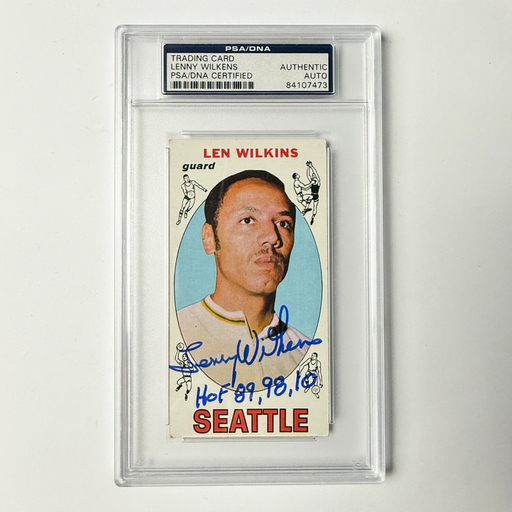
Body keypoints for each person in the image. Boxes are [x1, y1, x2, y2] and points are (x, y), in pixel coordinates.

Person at [177, 170, 312, 390]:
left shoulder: (306, 353)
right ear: (209, 238)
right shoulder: (174, 336)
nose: (272, 237)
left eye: (283, 223)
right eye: (247, 220)